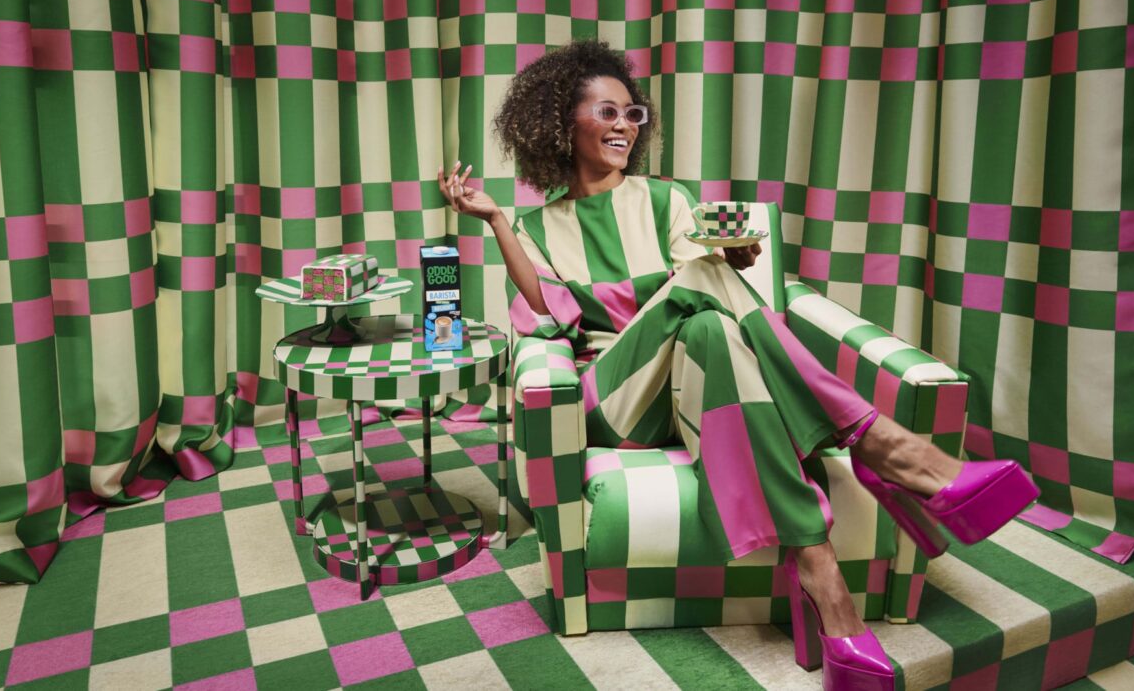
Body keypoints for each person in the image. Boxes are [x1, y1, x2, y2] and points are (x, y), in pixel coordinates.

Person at [437, 39, 1037, 690]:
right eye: (606, 111)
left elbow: (701, 296)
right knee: (700, 278)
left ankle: (823, 578)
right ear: (561, 122)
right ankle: (884, 445)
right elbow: (547, 312)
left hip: (690, 386)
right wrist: (495, 219)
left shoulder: (668, 200)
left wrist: (732, 260)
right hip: (615, 398)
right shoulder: (534, 226)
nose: (623, 125)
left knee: (713, 325)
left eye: (633, 113)